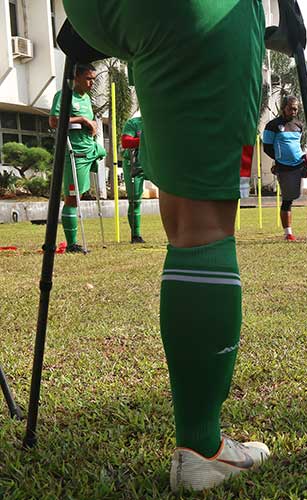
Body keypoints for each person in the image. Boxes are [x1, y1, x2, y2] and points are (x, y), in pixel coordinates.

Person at [63, 1, 269, 492]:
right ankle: (202, 447)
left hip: (103, 13)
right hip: (200, 13)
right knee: (205, 229)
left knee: (183, 227)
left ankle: (202, 440)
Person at [49, 63, 106, 254]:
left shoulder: (87, 98)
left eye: (93, 79)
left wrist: (93, 128)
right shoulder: (64, 95)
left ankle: (91, 183)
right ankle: (72, 244)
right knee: (73, 198)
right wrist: (81, 120)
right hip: (75, 153)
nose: (92, 83)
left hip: (90, 149)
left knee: (103, 151)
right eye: (88, 78)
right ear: (77, 78)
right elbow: (54, 121)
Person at [263, 96, 307, 242]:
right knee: (288, 199)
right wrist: (279, 160)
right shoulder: (272, 125)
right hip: (284, 166)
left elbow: (298, 145)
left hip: (299, 162)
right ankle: (288, 233)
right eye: (290, 108)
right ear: (283, 108)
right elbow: (267, 148)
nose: (293, 111)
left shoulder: (299, 125)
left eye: (295, 108)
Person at [121, 116, 146, 243]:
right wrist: (145, 140)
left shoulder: (160, 121)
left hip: (155, 163)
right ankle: (136, 235)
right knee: (134, 200)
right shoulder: (133, 123)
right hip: (135, 165)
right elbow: (125, 142)